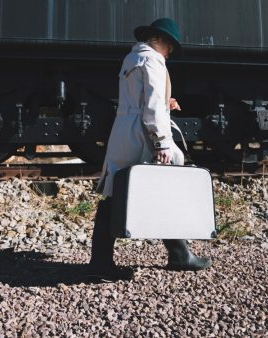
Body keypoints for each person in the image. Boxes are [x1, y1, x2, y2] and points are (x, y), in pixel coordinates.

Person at [88, 18, 212, 280]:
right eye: (171, 46)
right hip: (143, 133)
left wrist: (166, 102)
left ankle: (100, 259)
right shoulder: (154, 60)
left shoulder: (132, 58)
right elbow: (152, 107)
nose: (171, 52)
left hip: (124, 130)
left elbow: (141, 98)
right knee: (167, 186)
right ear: (162, 41)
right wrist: (162, 142)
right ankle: (179, 255)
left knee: (116, 191)